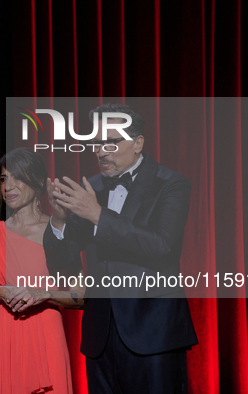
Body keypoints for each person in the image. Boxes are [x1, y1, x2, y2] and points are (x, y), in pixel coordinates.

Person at [44, 103, 198, 393]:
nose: (101, 151)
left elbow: (161, 245)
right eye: (97, 143)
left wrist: (98, 215)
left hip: (154, 335)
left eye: (111, 142)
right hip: (100, 336)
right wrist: (59, 220)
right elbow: (62, 262)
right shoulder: (91, 189)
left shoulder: (171, 184)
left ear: (138, 143)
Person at [0, 148, 83, 394]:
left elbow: (81, 296)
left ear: (39, 181)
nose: (9, 185)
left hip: (44, 334)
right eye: (4, 179)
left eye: (17, 177)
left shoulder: (57, 231)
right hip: (0, 342)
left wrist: (42, 294)